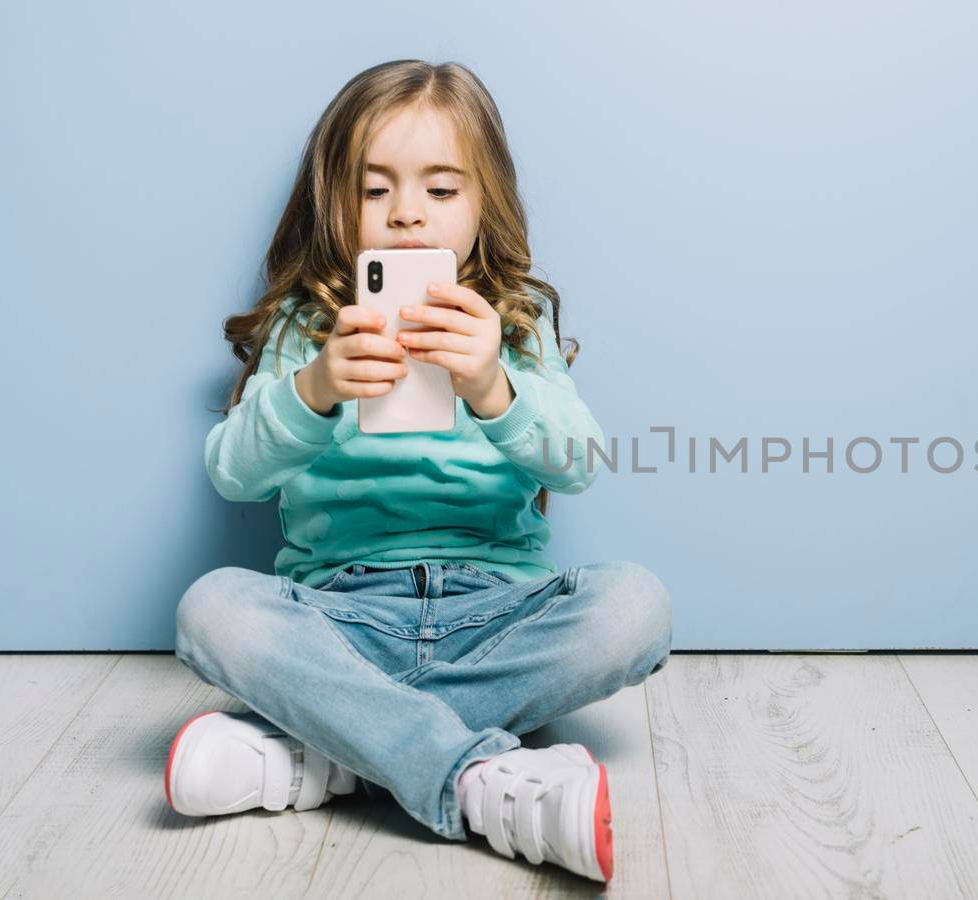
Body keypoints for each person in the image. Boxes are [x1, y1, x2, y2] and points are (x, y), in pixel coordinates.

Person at [167, 59, 672, 884]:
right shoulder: (307, 331)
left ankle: (336, 749)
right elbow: (233, 474)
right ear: (336, 201)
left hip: (494, 612)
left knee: (636, 606)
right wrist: (317, 388)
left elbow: (579, 463)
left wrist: (492, 386)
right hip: (340, 619)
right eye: (375, 192)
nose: (406, 214)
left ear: (485, 202)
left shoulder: (512, 327)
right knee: (212, 607)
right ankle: (473, 775)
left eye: (441, 190)